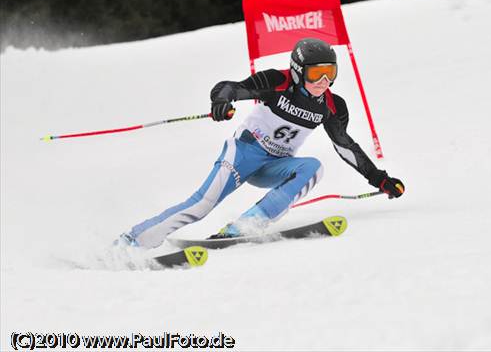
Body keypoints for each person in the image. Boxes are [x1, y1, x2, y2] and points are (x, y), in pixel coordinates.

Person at [119, 38, 404, 248]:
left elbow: (345, 146)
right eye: (316, 73)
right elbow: (230, 87)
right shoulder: (277, 81)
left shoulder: (332, 105)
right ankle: (132, 242)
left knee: (314, 167)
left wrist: (379, 179)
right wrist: (222, 102)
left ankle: (246, 225)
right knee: (201, 205)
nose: (324, 80)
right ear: (297, 70)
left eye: (330, 72)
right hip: (243, 153)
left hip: (275, 166)